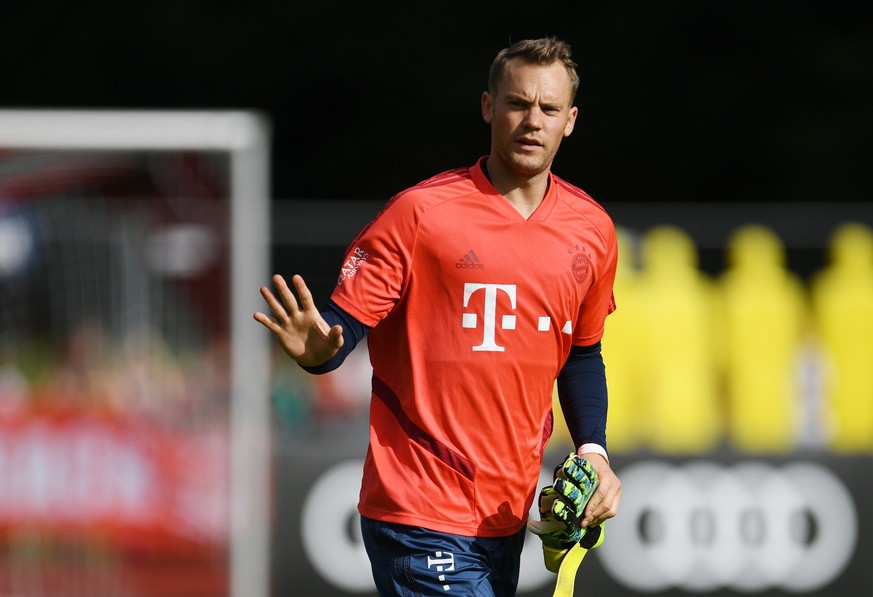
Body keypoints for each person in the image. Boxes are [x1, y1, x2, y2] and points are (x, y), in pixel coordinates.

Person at [254, 36, 622, 596]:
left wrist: (592, 450)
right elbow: (343, 325)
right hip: (419, 508)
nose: (531, 121)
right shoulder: (421, 214)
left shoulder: (592, 231)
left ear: (570, 121)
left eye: (548, 109)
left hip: (505, 512)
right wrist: (322, 350)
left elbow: (581, 353)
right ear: (487, 106)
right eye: (517, 103)